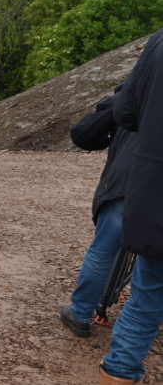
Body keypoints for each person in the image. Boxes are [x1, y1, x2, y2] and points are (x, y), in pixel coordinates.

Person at [99, 28, 163, 383]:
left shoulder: (159, 41)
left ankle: (119, 373)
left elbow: (126, 112)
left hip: (156, 192)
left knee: (146, 299)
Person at [59, 87, 137, 338]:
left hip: (127, 185)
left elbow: (83, 134)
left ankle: (81, 314)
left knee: (103, 252)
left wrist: (108, 138)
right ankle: (137, 328)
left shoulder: (135, 92)